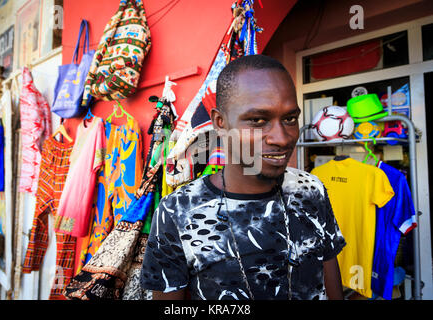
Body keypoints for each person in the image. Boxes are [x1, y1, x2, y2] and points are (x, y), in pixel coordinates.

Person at [139, 54, 346, 300]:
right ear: (220, 123)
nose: (281, 138)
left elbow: (331, 280)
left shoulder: (311, 190)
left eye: (290, 119)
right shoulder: (177, 211)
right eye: (258, 121)